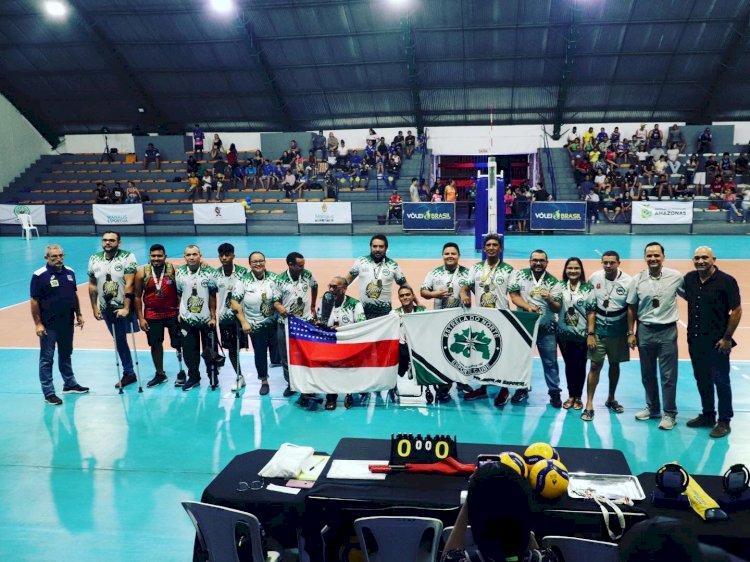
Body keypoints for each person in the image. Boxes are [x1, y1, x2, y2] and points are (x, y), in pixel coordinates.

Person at [681, 246, 741, 438]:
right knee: (702, 379)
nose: (701, 261)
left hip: (718, 343)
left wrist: (727, 338)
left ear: (713, 259)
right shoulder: (690, 278)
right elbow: (685, 295)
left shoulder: (727, 281)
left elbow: (737, 310)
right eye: (697, 258)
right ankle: (708, 415)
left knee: (721, 381)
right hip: (695, 340)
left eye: (705, 258)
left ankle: (724, 421)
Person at [442, 463, 557, 562]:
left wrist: (470, 500)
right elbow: (537, 553)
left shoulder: (458, 560)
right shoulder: (547, 558)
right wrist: (520, 513)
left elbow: (447, 556)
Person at [627, 242, 684, 430]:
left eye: (656, 255)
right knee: (647, 374)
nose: (653, 258)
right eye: (649, 255)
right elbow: (632, 307)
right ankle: (652, 408)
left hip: (667, 331)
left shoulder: (675, 277)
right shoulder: (637, 280)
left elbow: (691, 296)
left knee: (668, 376)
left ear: (663, 257)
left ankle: (669, 414)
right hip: (645, 330)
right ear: (645, 258)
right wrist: (631, 333)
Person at [459, 235, 516, 405]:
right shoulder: (475, 268)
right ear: (484, 249)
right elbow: (465, 287)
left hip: (501, 318)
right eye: (488, 245)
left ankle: (504, 389)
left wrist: (528, 307)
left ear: (501, 249)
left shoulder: (509, 270)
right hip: (482, 319)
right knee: (484, 354)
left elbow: (514, 294)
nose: (491, 247)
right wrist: (464, 295)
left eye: (495, 245)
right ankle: (483, 388)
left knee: (501, 354)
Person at [31, 244, 88, 405]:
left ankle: (69, 384)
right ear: (46, 258)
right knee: (47, 358)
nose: (58, 259)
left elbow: (73, 294)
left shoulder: (70, 272)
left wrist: (79, 314)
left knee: (66, 353)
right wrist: (38, 324)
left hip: (67, 322)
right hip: (49, 325)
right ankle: (49, 392)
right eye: (54, 256)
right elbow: (34, 301)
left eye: (61, 255)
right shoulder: (39, 275)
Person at [581, 251, 632, 421]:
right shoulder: (595, 277)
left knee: (615, 365)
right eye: (605, 263)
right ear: (601, 263)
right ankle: (589, 403)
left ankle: (611, 398)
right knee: (595, 365)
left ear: (619, 263)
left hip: (618, 330)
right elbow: (589, 305)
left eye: (612, 262)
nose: (608, 266)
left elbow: (632, 309)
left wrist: (631, 333)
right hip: (598, 329)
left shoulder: (628, 281)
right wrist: (590, 332)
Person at [509, 249, 563, 407]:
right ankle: (522, 388)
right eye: (535, 260)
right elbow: (514, 296)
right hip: (524, 326)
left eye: (541, 260)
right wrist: (528, 307)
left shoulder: (553, 282)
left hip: (546, 329)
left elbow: (557, 308)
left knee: (550, 361)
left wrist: (549, 298)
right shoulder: (519, 275)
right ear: (530, 261)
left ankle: (554, 392)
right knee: (522, 360)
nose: (538, 263)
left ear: (547, 262)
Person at [420, 242, 471, 402]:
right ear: (443, 255)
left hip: (461, 321)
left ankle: (462, 382)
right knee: (444, 355)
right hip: (440, 322)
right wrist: (435, 294)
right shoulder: (434, 273)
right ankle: (444, 386)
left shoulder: (467, 273)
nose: (450, 256)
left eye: (453, 253)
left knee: (462, 353)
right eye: (447, 253)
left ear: (458, 256)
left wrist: (465, 296)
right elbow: (423, 292)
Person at [88, 231, 139, 389]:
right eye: (105, 240)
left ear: (119, 243)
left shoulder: (127, 256)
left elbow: (130, 283)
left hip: (124, 306)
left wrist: (126, 307)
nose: (108, 243)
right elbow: (92, 284)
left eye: (111, 240)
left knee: (135, 336)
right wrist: (94, 307)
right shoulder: (94, 259)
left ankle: (157, 371)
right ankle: (129, 372)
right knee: (119, 340)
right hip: (106, 308)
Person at [231, 252, 278, 396]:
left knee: (281, 353)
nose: (258, 264)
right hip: (255, 325)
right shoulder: (243, 281)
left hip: (274, 323)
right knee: (260, 354)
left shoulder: (274, 278)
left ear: (265, 261)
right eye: (254, 262)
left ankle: (290, 382)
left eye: (260, 261)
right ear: (249, 264)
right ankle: (264, 381)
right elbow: (234, 302)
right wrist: (244, 322)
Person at [134, 244, 180, 388]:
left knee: (179, 344)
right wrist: (140, 318)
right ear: (149, 257)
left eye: (159, 256)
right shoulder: (142, 273)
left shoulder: (174, 270)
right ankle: (160, 374)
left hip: (173, 314)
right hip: (152, 316)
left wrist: (182, 312)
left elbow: (181, 292)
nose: (156, 259)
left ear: (165, 257)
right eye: (153, 256)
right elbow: (136, 296)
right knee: (155, 345)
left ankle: (182, 371)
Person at [273, 252, 318, 398]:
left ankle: (309, 382)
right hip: (286, 324)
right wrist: (279, 307)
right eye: (300, 265)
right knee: (286, 355)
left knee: (308, 354)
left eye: (303, 264)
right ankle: (291, 383)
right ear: (290, 265)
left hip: (305, 323)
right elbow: (275, 301)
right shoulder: (279, 280)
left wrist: (312, 305)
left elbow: (315, 286)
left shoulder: (307, 275)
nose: (303, 267)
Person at [175, 245, 218, 391]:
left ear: (200, 255)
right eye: (188, 255)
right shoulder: (180, 272)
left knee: (210, 350)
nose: (191, 257)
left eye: (194, 254)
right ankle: (193, 377)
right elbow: (179, 293)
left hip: (206, 319)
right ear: (184, 257)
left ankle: (212, 374)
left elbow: (212, 295)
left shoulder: (209, 271)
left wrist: (213, 316)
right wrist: (180, 312)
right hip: (187, 320)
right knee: (189, 351)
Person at [556, 257, 595, 412]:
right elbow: (555, 305)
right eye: (570, 268)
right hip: (564, 335)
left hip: (582, 335)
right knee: (569, 365)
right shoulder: (559, 286)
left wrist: (591, 333)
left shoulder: (588, 288)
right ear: (565, 270)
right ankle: (571, 395)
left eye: (576, 268)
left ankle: (578, 396)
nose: (573, 271)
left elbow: (592, 312)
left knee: (580, 366)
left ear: (581, 270)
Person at [323, 276, 366, 410]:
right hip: (330, 344)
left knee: (349, 369)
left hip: (349, 344)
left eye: (335, 287)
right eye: (330, 286)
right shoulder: (325, 302)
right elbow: (321, 321)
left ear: (345, 289)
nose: (331, 290)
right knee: (328, 369)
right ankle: (331, 397)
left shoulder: (355, 304)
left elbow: (361, 325)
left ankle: (349, 392)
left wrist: (341, 330)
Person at [213, 243, 249, 392]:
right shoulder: (214, 274)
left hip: (241, 319)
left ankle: (263, 378)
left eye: (227, 255)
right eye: (221, 255)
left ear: (233, 255)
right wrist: (213, 315)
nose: (224, 258)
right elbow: (211, 296)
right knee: (232, 350)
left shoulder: (243, 272)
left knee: (239, 348)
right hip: (224, 319)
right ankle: (239, 376)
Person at [346, 234, 407, 319]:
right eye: (375, 246)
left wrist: (417, 303)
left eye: (381, 246)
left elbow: (405, 286)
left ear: (386, 248)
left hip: (385, 313)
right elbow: (346, 281)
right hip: (363, 312)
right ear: (370, 247)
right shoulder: (361, 261)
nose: (377, 249)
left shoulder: (393, 265)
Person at [393, 285, 426, 402]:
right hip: (402, 347)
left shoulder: (422, 311)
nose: (405, 297)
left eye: (407, 294)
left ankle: (412, 365)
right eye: (402, 296)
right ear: (399, 298)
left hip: (419, 347)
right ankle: (408, 365)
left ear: (413, 296)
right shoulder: (394, 314)